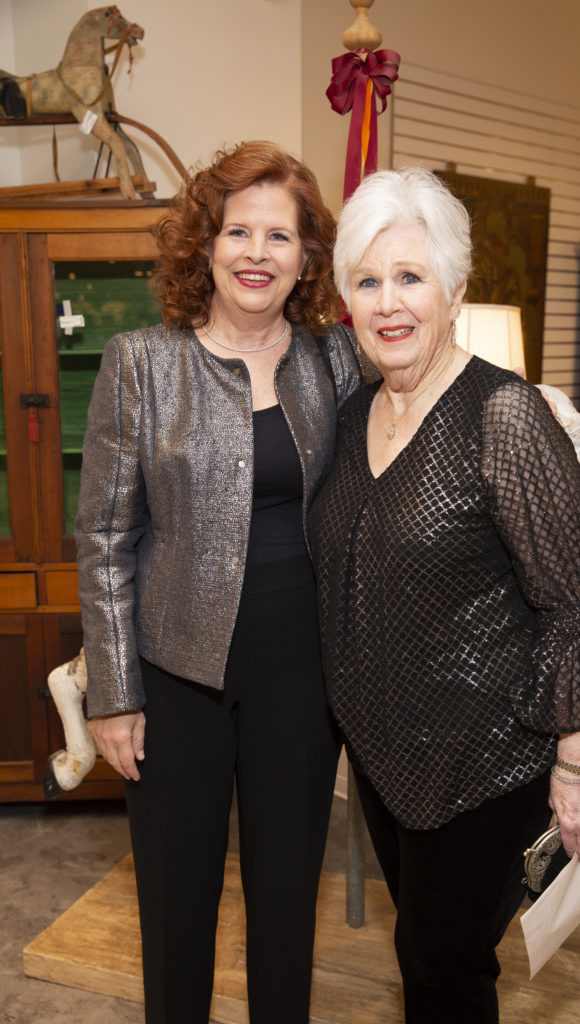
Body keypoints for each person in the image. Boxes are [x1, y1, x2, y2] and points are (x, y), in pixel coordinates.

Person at [308, 167, 580, 1024]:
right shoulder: (351, 417)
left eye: (409, 277)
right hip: (383, 756)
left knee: (442, 969)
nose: (388, 303)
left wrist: (575, 769)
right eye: (367, 282)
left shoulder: (505, 416)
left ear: (454, 291)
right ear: (347, 300)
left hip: (484, 761)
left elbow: (568, 609)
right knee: (425, 955)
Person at [74, 141, 363, 1024]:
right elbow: (104, 537)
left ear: (307, 257)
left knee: (287, 905)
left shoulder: (335, 360)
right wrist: (114, 694)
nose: (256, 253)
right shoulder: (140, 363)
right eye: (238, 231)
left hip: (302, 679)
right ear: (204, 243)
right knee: (174, 906)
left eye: (279, 236)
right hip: (173, 681)